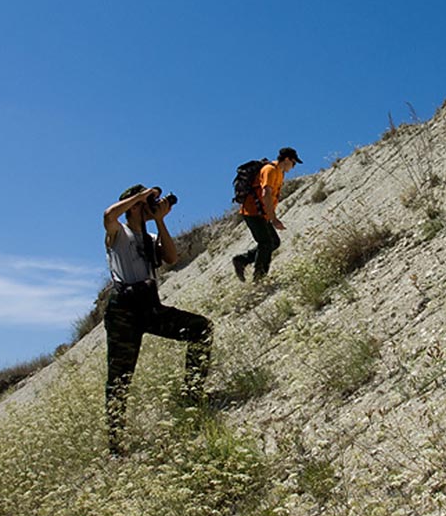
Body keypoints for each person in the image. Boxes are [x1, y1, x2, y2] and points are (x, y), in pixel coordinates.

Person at [103, 183, 213, 454]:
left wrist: (161, 221)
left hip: (149, 306)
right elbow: (108, 216)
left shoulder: (150, 238)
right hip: (124, 311)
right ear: (134, 206)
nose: (151, 206)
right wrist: (140, 197)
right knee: (120, 378)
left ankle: (192, 394)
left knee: (201, 328)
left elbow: (172, 257)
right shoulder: (119, 233)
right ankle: (116, 444)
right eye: (146, 204)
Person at [232, 147, 302, 282]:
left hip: (261, 214)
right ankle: (259, 278)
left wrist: (270, 216)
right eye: (293, 163)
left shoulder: (279, 173)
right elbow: (266, 194)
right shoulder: (269, 170)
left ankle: (241, 260)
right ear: (287, 159)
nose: (293, 166)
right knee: (265, 243)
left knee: (274, 242)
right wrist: (273, 219)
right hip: (252, 212)